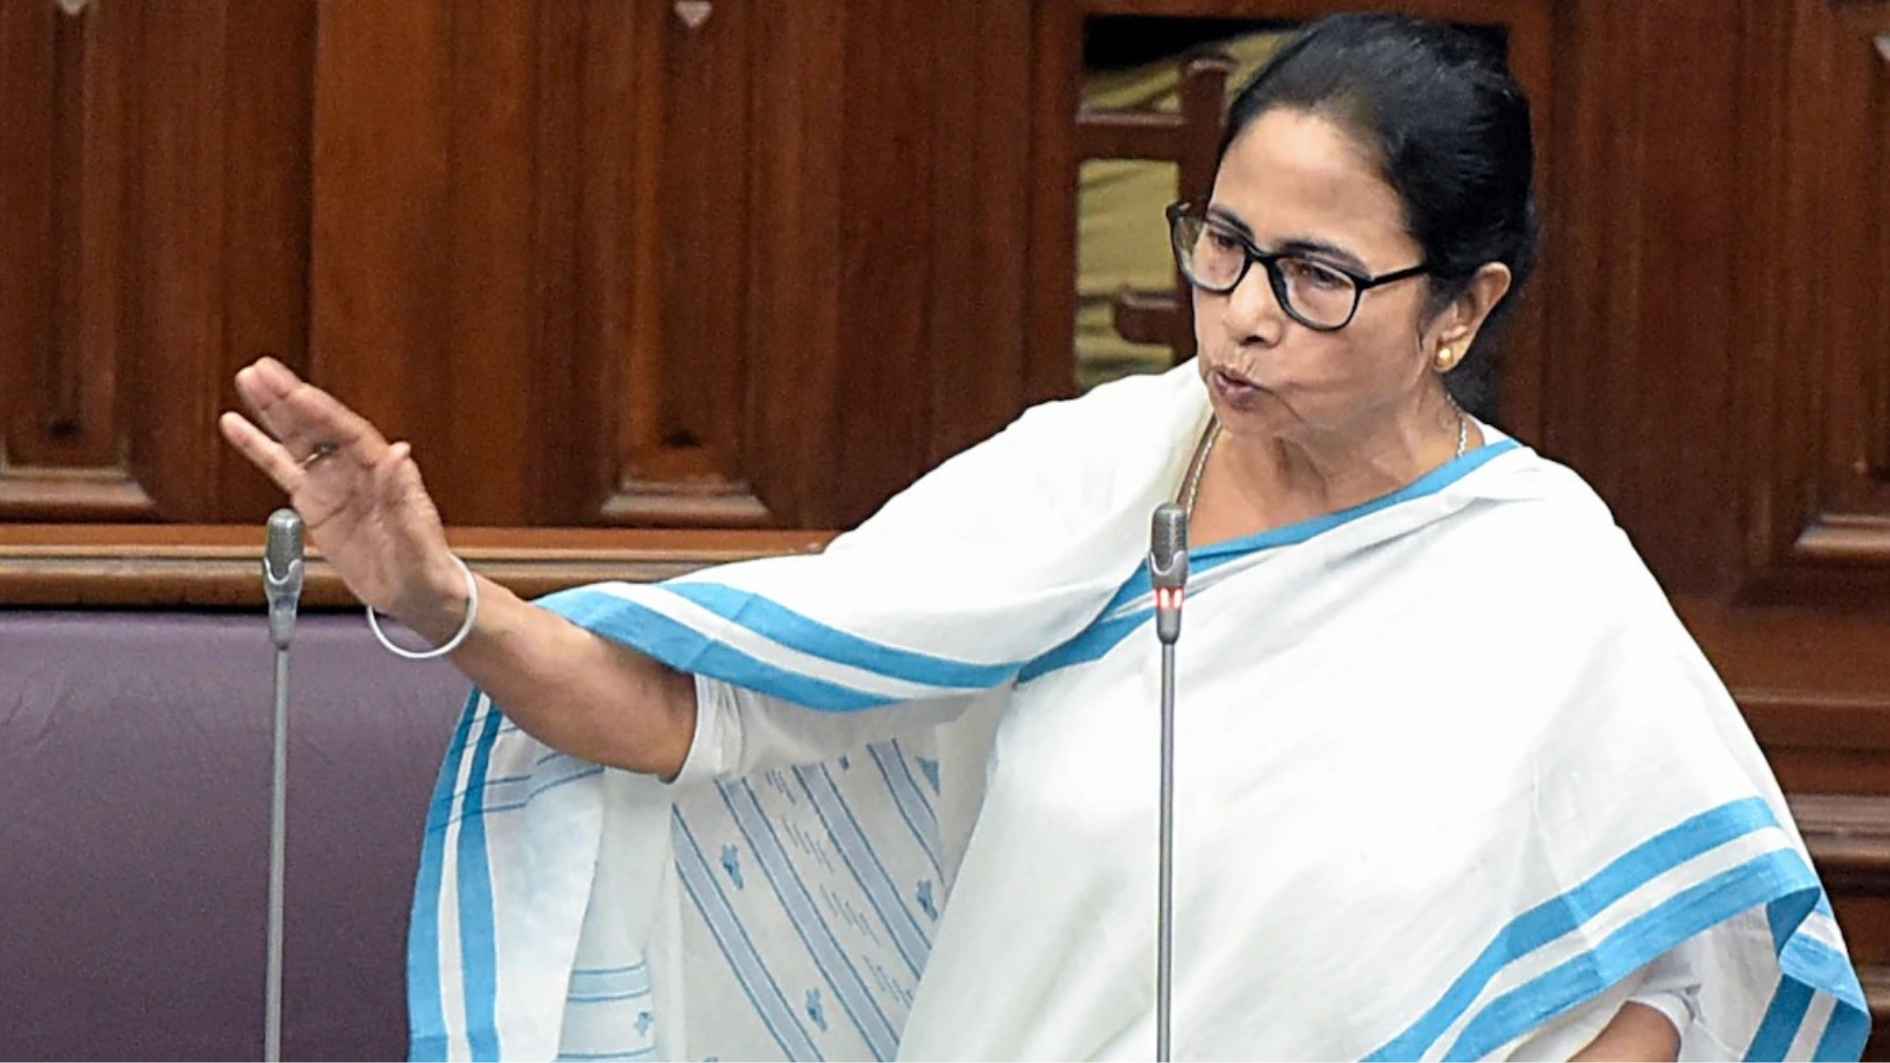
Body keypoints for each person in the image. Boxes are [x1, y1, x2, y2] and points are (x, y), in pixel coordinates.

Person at [219, 14, 1869, 1061]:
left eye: (1313, 276)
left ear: (1461, 306)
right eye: (1221, 245)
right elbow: (699, 717)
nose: (1240, 314)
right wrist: (439, 597)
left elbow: (1683, 971)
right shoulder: (1092, 474)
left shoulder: (1540, 572)